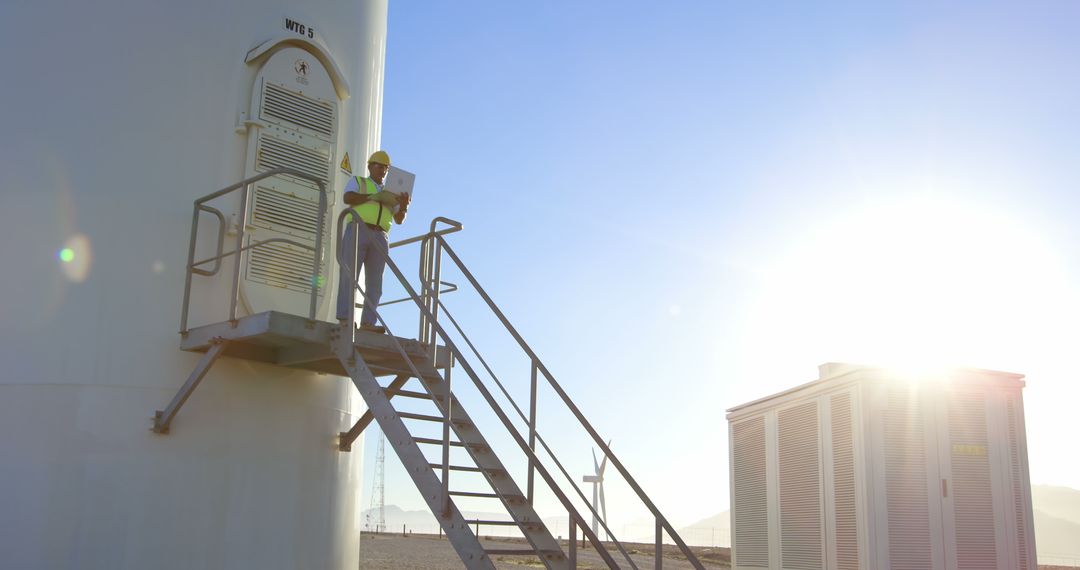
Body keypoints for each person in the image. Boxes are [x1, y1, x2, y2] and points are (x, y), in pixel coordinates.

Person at [335, 150, 410, 333]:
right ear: (370, 166)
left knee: (375, 283)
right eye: (379, 166)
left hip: (380, 236)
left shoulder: (391, 192)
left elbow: (399, 219)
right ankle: (345, 319)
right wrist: (372, 197)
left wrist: (404, 205)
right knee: (349, 275)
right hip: (359, 229)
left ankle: (368, 323)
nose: (382, 170)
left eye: (386, 167)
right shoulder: (359, 182)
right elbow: (348, 198)